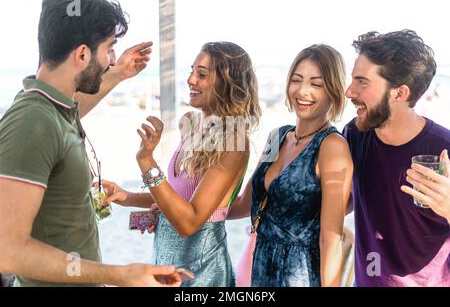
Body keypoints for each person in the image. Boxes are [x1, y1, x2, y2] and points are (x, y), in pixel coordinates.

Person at [0, 0, 181, 287]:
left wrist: (119, 73)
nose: (111, 60)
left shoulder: (55, 110)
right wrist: (119, 275)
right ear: (82, 54)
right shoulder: (32, 121)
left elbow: (64, 120)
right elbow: (7, 250)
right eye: (109, 49)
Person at [101, 41, 262, 286]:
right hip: (166, 264)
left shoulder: (234, 142)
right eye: (191, 71)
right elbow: (177, 198)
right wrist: (127, 197)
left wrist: (146, 161)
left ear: (227, 82)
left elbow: (189, 221)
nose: (190, 80)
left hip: (203, 274)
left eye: (202, 75)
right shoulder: (190, 124)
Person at [227, 44, 353, 287]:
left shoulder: (332, 147)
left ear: (333, 91)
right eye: (297, 80)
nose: (303, 91)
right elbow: (245, 203)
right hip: (262, 265)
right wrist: (191, 212)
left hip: (301, 274)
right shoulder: (276, 137)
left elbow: (330, 239)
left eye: (316, 84)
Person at [343, 30, 450, 287]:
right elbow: (340, 202)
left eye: (362, 82)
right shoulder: (355, 135)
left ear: (399, 93)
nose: (349, 91)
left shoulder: (445, 149)